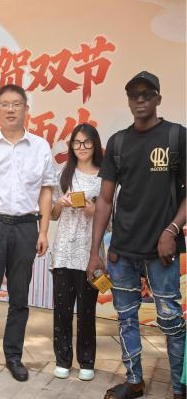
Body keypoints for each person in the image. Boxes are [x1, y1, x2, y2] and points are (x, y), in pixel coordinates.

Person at [87, 71, 186, 399]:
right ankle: (134, 381)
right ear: (129, 101)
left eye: (147, 94)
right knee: (126, 318)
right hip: (122, 251)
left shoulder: (177, 137)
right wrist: (95, 252)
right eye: (134, 95)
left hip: (162, 251)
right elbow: (105, 200)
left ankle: (180, 387)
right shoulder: (118, 142)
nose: (140, 100)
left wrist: (171, 230)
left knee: (171, 320)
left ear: (158, 98)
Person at [0, 84, 56, 382]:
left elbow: (46, 191)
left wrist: (43, 231)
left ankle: (14, 356)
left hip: (26, 227)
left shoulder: (40, 146)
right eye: (5, 104)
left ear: (26, 109)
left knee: (19, 297)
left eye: (17, 104)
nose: (11, 109)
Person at [50, 123, 103, 381]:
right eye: (77, 143)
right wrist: (60, 203)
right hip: (63, 251)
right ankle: (62, 359)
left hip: (89, 254)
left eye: (87, 142)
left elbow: (111, 219)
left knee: (86, 312)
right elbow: (52, 214)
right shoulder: (63, 173)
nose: (82, 147)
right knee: (61, 310)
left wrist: (94, 210)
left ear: (95, 145)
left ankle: (86, 361)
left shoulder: (105, 177)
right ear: (71, 146)